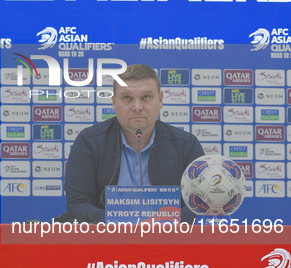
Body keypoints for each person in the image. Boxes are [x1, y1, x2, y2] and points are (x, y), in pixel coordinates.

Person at [65, 64, 204, 223]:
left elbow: (199, 204)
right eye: (127, 98)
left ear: (160, 100)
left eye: (146, 97)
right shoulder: (89, 142)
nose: (137, 107)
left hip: (170, 241)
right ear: (114, 102)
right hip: (108, 241)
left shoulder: (186, 145)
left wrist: (162, 224)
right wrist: (121, 225)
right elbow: (78, 203)